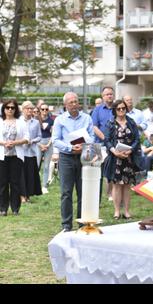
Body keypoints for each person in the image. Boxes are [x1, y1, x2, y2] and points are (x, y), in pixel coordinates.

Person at [52, 92, 94, 232]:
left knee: (83, 191)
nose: (74, 104)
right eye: (71, 102)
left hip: (83, 158)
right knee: (66, 192)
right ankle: (66, 224)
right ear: (65, 105)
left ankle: (82, 222)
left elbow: (92, 137)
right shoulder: (60, 120)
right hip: (66, 158)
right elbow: (56, 140)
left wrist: (84, 147)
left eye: (76, 101)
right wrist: (70, 148)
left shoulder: (87, 118)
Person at [104, 100, 143, 220]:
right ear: (114, 110)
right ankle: (116, 211)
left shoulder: (131, 122)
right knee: (116, 185)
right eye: (119, 109)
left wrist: (130, 150)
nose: (121, 111)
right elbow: (107, 140)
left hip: (128, 158)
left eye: (123, 108)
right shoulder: (110, 123)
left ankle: (126, 211)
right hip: (115, 158)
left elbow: (137, 138)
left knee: (127, 185)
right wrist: (114, 151)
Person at [0, 100, 29, 216]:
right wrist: (4, 143)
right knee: (2, 183)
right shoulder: (0, 122)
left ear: (16, 109)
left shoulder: (21, 123)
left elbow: (27, 138)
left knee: (15, 183)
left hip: (16, 156)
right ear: (4, 109)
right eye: (8, 107)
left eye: (12, 108)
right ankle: (3, 208)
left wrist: (15, 142)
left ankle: (15, 208)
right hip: (2, 156)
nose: (10, 110)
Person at [91, 86, 114, 201]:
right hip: (98, 145)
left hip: (114, 145)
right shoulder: (97, 110)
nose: (109, 96)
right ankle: (96, 199)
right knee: (97, 173)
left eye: (111, 94)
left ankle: (111, 194)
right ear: (102, 96)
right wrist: (105, 138)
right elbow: (94, 127)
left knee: (112, 170)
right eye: (107, 94)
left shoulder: (117, 108)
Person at [20, 101, 42, 203]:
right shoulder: (18, 121)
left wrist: (32, 141)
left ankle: (28, 195)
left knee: (30, 174)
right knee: (21, 175)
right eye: (27, 108)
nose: (30, 110)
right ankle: (21, 196)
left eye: (31, 108)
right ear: (23, 109)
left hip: (31, 152)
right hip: (20, 152)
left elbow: (39, 136)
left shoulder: (36, 122)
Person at [36, 103, 54, 194]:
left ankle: (44, 186)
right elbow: (34, 135)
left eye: (46, 109)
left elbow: (53, 134)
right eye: (42, 109)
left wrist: (47, 145)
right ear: (40, 110)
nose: (44, 111)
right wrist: (40, 145)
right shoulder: (36, 120)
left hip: (48, 144)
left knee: (46, 166)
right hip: (38, 143)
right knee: (36, 166)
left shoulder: (51, 120)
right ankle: (35, 186)